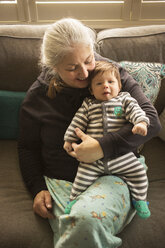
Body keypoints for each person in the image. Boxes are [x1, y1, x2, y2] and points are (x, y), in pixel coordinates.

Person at [18, 18, 161, 248]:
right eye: (72, 68)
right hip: (61, 182)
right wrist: (37, 188)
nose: (85, 73)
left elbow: (152, 121)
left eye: (88, 60)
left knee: (85, 224)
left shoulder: (111, 74)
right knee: (76, 231)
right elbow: (27, 147)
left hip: (114, 174)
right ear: (54, 67)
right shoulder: (37, 96)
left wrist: (102, 147)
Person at [64, 61, 150, 219]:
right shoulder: (88, 105)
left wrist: (141, 122)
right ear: (91, 89)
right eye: (99, 83)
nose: (105, 86)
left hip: (121, 156)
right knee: (81, 177)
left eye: (111, 82)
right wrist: (69, 139)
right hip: (93, 161)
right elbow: (77, 123)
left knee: (138, 172)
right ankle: (72, 201)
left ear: (119, 86)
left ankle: (140, 199)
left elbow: (135, 111)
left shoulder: (125, 100)